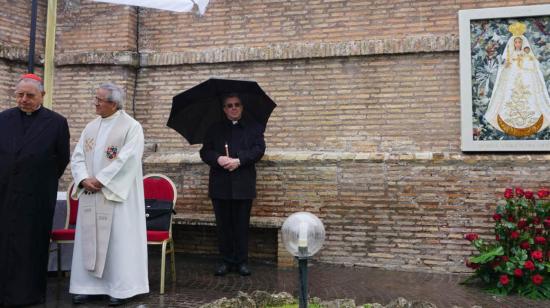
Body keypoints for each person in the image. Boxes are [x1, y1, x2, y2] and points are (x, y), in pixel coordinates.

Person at [69, 83, 148, 306]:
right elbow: (77, 156)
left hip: (115, 196)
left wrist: (101, 180)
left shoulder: (131, 127)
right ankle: (86, 286)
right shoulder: (90, 127)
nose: (95, 102)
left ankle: (120, 288)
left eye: (100, 99)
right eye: (96, 98)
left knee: (117, 242)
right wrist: (84, 178)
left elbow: (128, 159)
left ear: (113, 103)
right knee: (89, 239)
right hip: (91, 194)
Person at [0, 73, 70, 306]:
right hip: (5, 193)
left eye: (29, 95)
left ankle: (28, 294)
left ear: (42, 95)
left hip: (37, 196)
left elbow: (62, 158)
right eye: (19, 95)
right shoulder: (3, 119)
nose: (23, 100)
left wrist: (40, 179)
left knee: (31, 245)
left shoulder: (57, 122)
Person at [200, 93, 266, 276]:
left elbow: (259, 150)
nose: (233, 108)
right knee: (224, 227)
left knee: (241, 226)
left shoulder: (254, 128)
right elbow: (205, 152)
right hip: (220, 185)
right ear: (224, 109)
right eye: (229, 105)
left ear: (242, 107)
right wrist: (218, 158)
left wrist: (239, 160)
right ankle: (225, 261)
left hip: (243, 185)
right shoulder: (214, 129)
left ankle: (242, 261)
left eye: (237, 104)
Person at [484, 22, 550, 137]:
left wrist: (525, 63)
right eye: (516, 41)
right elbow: (504, 67)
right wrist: (506, 65)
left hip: (526, 79)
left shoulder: (527, 54)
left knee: (529, 96)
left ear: (523, 42)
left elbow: (532, 65)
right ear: (513, 43)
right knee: (508, 94)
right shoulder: (510, 54)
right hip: (511, 79)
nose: (518, 44)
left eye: (519, 42)